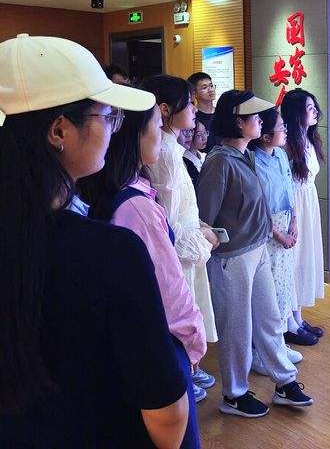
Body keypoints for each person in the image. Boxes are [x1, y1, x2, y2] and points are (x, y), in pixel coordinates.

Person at [0, 34, 188, 447]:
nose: (113, 129)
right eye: (107, 116)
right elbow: (167, 416)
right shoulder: (112, 252)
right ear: (59, 130)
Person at [79, 103, 206, 449]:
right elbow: (169, 288)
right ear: (135, 136)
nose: (161, 135)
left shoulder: (106, 191)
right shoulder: (137, 207)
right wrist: (194, 342)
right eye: (156, 126)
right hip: (161, 340)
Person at [196, 90, 313, 418]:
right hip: (232, 258)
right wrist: (221, 245)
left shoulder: (244, 155)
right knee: (237, 328)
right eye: (255, 117)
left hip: (256, 248)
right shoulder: (220, 161)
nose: (261, 122)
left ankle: (284, 381)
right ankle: (234, 394)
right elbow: (204, 219)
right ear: (238, 122)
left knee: (270, 318)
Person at [142, 75, 218, 403]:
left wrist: (200, 226)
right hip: (181, 251)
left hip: (189, 239)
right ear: (165, 109)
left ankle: (190, 368)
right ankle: (184, 372)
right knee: (182, 312)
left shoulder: (172, 147)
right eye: (188, 103)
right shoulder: (166, 152)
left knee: (189, 310)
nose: (195, 109)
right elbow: (169, 222)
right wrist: (203, 237)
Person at [251, 107, 303, 363]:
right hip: (267, 230)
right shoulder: (252, 160)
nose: (285, 131)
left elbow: (290, 188)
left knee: (284, 287)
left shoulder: (281, 154)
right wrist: (278, 234)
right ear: (265, 136)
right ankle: (260, 350)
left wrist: (294, 221)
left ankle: (279, 342)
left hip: (286, 224)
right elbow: (257, 205)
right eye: (281, 128)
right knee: (267, 292)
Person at [281, 89, 326, 345]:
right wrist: (293, 218)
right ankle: (288, 322)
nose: (315, 111)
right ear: (296, 113)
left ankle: (298, 317)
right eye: (309, 108)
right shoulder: (286, 144)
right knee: (292, 261)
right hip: (294, 206)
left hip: (309, 204)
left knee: (305, 260)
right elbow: (285, 184)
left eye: (314, 106)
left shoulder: (308, 139)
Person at [188, 72, 219, 152]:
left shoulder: (222, 113)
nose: (210, 90)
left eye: (211, 86)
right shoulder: (192, 117)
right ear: (194, 93)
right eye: (204, 87)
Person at [182, 120, 208, 187]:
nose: (204, 138)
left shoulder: (205, 156)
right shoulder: (183, 161)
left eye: (205, 133)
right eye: (199, 135)